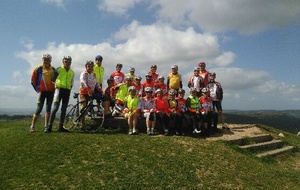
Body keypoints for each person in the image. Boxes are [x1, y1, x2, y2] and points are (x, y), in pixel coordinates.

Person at [45, 56, 75, 133]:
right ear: (63, 62)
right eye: (66, 61)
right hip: (59, 90)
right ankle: (49, 127)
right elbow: (52, 79)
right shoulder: (58, 69)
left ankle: (61, 127)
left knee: (64, 109)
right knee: (55, 108)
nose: (67, 62)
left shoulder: (72, 72)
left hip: (67, 91)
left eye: (69, 61)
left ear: (71, 62)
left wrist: (69, 88)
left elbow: (72, 82)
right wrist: (56, 87)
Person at [29, 53, 56, 132]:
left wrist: (54, 89)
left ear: (50, 60)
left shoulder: (53, 69)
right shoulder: (38, 68)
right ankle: (32, 126)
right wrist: (37, 89)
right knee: (39, 109)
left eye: (48, 59)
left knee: (48, 109)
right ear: (42, 60)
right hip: (41, 92)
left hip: (50, 92)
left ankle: (46, 127)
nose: (46, 61)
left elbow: (56, 81)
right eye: (45, 59)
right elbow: (32, 80)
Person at [79, 61, 103, 125]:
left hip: (90, 93)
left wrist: (101, 90)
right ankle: (82, 124)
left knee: (88, 107)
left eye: (91, 66)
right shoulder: (84, 74)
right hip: (84, 92)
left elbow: (96, 83)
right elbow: (83, 82)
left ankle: (88, 122)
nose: (90, 68)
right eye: (88, 66)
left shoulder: (93, 74)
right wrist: (88, 89)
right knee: (84, 108)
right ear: (86, 66)